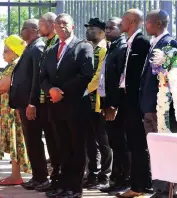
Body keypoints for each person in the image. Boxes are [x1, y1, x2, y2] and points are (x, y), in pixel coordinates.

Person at [40, 13, 94, 198]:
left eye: (65, 23)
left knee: (77, 148)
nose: (60, 26)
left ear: (72, 27)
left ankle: (74, 188)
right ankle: (63, 186)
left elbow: (86, 74)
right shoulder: (50, 51)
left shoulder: (83, 46)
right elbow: (43, 77)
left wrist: (61, 91)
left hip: (76, 106)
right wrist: (50, 90)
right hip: (56, 108)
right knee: (62, 148)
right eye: (58, 23)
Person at [0, 34, 31, 185]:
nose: (4, 53)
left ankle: (16, 175)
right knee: (13, 142)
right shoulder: (12, 65)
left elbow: (4, 86)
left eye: (6, 51)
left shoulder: (15, 65)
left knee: (15, 141)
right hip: (6, 108)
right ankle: (15, 174)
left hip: (10, 110)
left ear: (15, 51)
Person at [9, 19, 50, 191]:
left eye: (24, 27)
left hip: (30, 104)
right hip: (24, 102)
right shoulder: (30, 47)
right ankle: (37, 176)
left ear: (34, 30)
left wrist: (32, 103)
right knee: (31, 141)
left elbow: (36, 79)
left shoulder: (38, 47)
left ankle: (41, 178)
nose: (21, 30)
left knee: (34, 141)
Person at [141, 9, 177, 198]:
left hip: (160, 108)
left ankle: (166, 190)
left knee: (164, 151)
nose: (145, 24)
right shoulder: (155, 43)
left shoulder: (169, 44)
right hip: (150, 107)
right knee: (155, 151)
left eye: (147, 21)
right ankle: (160, 189)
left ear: (158, 24)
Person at [116, 9, 152, 198]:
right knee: (132, 144)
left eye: (123, 19)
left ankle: (138, 186)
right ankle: (140, 184)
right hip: (126, 101)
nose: (120, 23)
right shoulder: (128, 44)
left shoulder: (142, 43)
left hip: (136, 104)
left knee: (138, 145)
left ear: (130, 21)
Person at [98, 17, 130, 194]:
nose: (108, 30)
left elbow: (120, 80)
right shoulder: (111, 48)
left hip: (118, 107)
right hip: (108, 104)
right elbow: (105, 79)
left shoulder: (123, 48)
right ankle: (116, 179)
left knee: (121, 144)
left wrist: (113, 105)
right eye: (106, 27)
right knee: (114, 143)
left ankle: (124, 180)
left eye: (112, 27)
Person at [83, 17, 113, 190]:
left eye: (92, 28)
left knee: (103, 141)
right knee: (90, 141)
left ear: (102, 31)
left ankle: (105, 176)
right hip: (86, 103)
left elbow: (99, 75)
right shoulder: (88, 48)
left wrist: (84, 89)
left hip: (98, 102)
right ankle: (92, 174)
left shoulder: (104, 49)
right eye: (87, 28)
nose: (88, 31)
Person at [38, 12, 61, 187]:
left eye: (42, 24)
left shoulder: (57, 44)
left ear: (52, 25)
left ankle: (58, 177)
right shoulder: (47, 44)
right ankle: (54, 177)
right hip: (45, 99)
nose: (40, 28)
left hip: (56, 100)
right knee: (52, 142)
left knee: (58, 142)